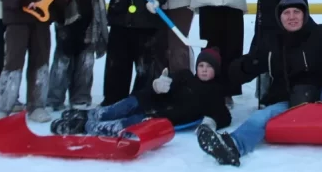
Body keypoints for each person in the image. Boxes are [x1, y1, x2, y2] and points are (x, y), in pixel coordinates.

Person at [196, 0, 322, 166]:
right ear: (280, 17)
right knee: (262, 116)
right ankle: (233, 146)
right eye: (286, 13)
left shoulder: (321, 34)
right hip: (289, 101)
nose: (292, 17)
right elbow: (245, 68)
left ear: (304, 14)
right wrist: (242, 67)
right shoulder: (272, 43)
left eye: (296, 12)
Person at [50, 47, 231, 137]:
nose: (204, 70)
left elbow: (224, 115)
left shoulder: (214, 92)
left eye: (209, 67)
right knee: (116, 109)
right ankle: (88, 115)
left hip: (157, 117)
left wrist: (211, 123)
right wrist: (158, 85)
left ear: (216, 70)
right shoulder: (185, 76)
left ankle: (83, 127)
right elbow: (166, 83)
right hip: (147, 100)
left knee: (124, 124)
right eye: (201, 65)